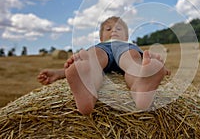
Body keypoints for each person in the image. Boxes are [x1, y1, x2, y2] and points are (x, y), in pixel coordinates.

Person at [37, 16, 171, 115]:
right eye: (108, 29)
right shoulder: (100, 45)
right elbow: (72, 69)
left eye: (119, 29)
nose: (114, 31)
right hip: (102, 51)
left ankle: (140, 84)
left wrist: (159, 70)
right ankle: (88, 86)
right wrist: (59, 73)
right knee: (93, 59)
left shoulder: (128, 45)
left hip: (125, 50)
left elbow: (146, 63)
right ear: (101, 37)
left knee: (132, 60)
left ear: (126, 36)